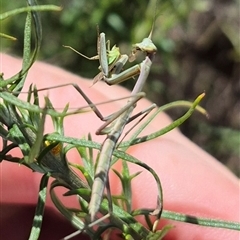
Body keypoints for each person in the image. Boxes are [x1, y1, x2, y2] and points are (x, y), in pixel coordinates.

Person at [0, 53, 239, 239]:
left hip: (111, 139)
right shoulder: (138, 86)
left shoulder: (139, 82)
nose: (136, 51)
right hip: (111, 134)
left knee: (79, 91)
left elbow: (110, 81)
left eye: (142, 51)